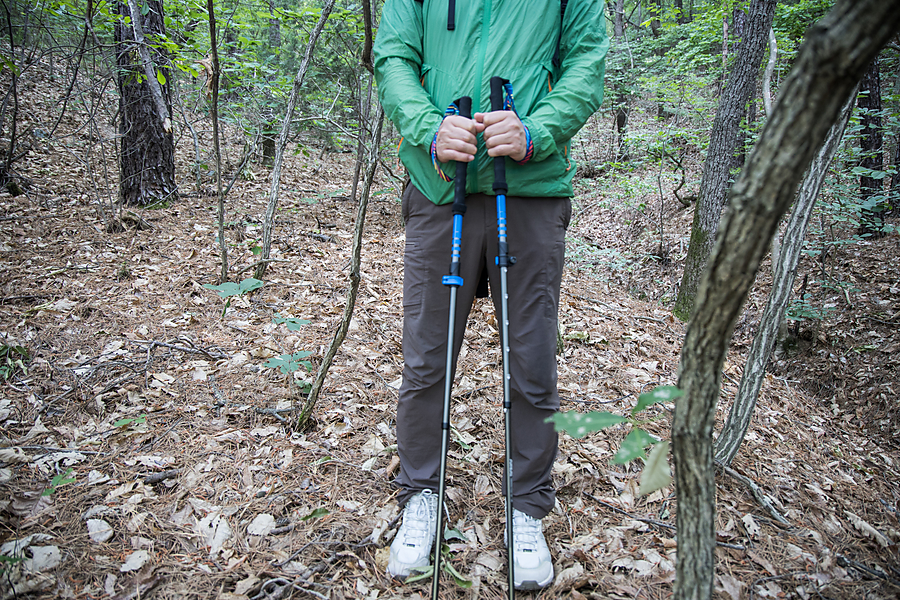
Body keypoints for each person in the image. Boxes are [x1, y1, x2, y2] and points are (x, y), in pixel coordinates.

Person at [373, 0, 608, 590]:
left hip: (529, 188)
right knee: (426, 357)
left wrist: (537, 129)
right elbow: (394, 54)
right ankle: (420, 495)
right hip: (439, 185)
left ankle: (527, 507)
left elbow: (586, 59)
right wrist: (430, 127)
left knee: (530, 359)